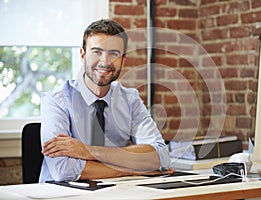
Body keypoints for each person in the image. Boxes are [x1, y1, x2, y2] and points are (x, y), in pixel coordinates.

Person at [39, 19, 171, 183]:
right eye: (96, 52)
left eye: (114, 53)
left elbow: (160, 156)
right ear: (83, 55)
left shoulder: (130, 99)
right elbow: (63, 170)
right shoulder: (56, 100)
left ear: (123, 60)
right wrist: (131, 170)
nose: (105, 61)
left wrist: (88, 151)